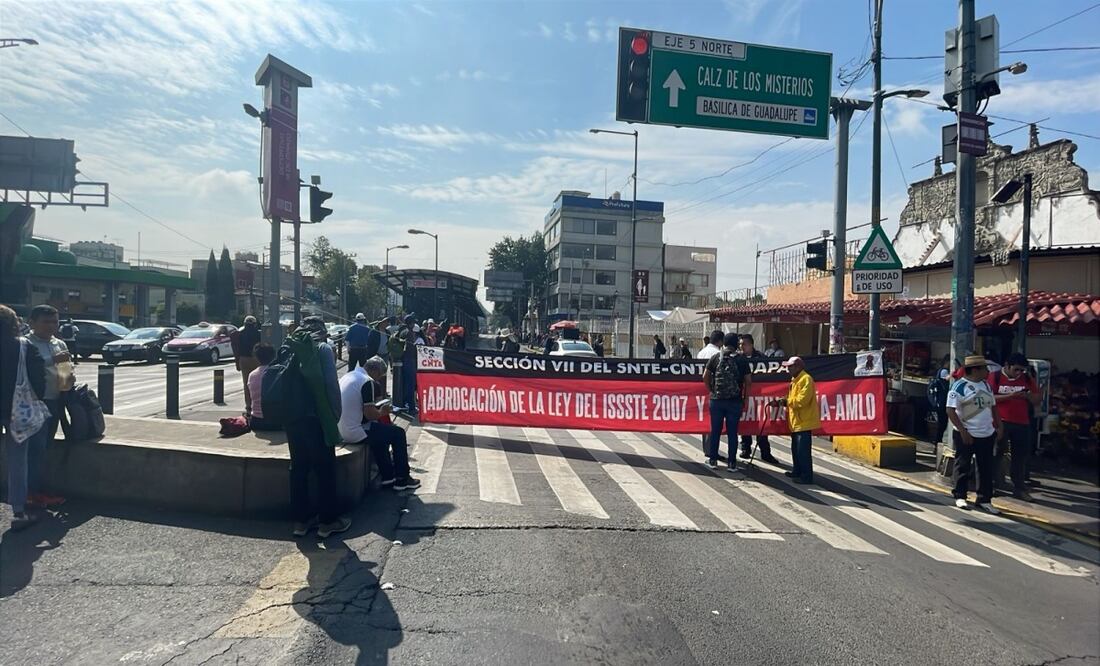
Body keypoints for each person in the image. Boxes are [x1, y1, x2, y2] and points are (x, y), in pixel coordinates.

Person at [285, 316, 350, 538]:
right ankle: (328, 522)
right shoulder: (322, 348)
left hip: (292, 418)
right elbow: (331, 384)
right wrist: (335, 414)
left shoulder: (288, 345)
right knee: (324, 469)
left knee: (299, 468)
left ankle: (301, 522)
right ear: (322, 331)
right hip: (316, 417)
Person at [338, 356, 420, 490]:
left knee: (380, 435)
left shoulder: (350, 375)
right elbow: (370, 414)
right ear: (374, 370)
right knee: (398, 434)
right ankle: (402, 478)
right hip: (355, 431)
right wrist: (383, 411)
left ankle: (388, 477)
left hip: (342, 429)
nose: (378, 380)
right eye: (379, 375)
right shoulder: (366, 382)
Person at [2, 303, 50, 529]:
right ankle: (19, 512)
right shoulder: (24, 347)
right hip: (16, 409)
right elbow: (39, 382)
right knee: (18, 459)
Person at [946, 355, 1003, 514]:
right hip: (967, 433)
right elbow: (950, 410)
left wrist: (999, 426)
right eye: (985, 368)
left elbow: (993, 407)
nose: (988, 372)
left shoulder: (986, 386)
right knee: (963, 464)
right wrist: (963, 431)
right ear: (975, 369)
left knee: (985, 467)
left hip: (986, 433)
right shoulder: (959, 386)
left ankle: (984, 499)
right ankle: (960, 495)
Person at [989, 353, 1040, 501]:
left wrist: (1028, 396)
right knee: (996, 453)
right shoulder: (995, 376)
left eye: (1021, 370)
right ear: (1007, 366)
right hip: (1000, 421)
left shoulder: (1027, 379)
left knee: (1020, 456)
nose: (1018, 373)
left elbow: (1037, 399)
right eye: (1016, 369)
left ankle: (1019, 487)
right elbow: (990, 397)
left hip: (1022, 422)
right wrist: (1011, 395)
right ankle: (992, 484)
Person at [26, 305, 74, 452]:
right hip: (33, 403)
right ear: (32, 323)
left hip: (56, 401)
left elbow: (64, 372)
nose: (51, 326)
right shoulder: (25, 343)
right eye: (46, 322)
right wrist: (51, 359)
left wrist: (69, 377)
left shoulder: (60, 344)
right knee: (35, 447)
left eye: (55, 322)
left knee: (47, 445)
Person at [702, 332, 751, 471]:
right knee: (732, 432)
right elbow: (748, 381)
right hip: (734, 401)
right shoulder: (741, 360)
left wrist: (711, 390)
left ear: (724, 343)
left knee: (715, 430)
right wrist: (745, 399)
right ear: (736, 344)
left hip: (717, 400)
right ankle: (732, 463)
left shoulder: (717, 357)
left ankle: (712, 461)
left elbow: (705, 376)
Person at [775, 356, 820, 484]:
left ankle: (806, 476)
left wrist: (786, 401)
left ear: (798, 367)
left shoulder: (806, 379)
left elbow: (802, 400)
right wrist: (782, 401)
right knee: (795, 449)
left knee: (803, 451)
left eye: (790, 366)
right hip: (796, 421)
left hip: (804, 421)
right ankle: (797, 471)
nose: (788, 369)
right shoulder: (795, 379)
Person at [737, 334, 779, 465]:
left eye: (743, 344)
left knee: (761, 425)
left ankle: (765, 452)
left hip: (760, 397)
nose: (741, 347)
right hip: (745, 395)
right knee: (745, 423)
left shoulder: (761, 358)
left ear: (750, 345)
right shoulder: (739, 358)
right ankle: (745, 449)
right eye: (740, 344)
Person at [246, 343, 280, 431]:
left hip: (256, 421)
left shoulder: (252, 375)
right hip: (277, 422)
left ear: (257, 358)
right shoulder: (278, 373)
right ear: (273, 356)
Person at [237, 315, 262, 416]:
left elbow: (237, 347)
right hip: (256, 359)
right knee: (258, 382)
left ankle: (248, 406)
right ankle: (257, 405)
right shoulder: (259, 333)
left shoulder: (240, 333)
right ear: (255, 324)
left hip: (244, 359)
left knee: (246, 383)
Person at [402, 321, 425, 414]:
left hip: (409, 362)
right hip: (411, 363)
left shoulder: (405, 333)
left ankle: (408, 403)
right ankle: (411, 406)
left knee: (409, 385)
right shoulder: (410, 335)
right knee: (410, 385)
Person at [927, 367, 950, 448]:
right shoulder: (936, 383)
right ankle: (937, 441)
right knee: (941, 425)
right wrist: (936, 405)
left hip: (945, 407)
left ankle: (938, 441)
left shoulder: (946, 383)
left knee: (942, 425)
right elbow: (931, 395)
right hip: (939, 407)